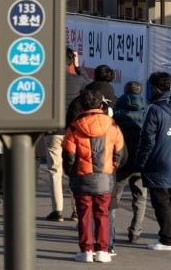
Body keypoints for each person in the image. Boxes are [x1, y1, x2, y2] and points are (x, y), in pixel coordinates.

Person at [63, 90, 125, 263]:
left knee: (84, 215)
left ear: (82, 105)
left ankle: (86, 251)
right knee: (102, 214)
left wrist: (72, 172)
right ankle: (103, 251)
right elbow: (119, 151)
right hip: (104, 178)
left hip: (82, 177)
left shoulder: (74, 127)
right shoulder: (112, 125)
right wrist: (111, 167)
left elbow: (68, 156)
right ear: (101, 104)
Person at [137, 72, 171, 251]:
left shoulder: (154, 109)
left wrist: (141, 162)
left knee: (160, 202)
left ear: (155, 88)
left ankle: (166, 239)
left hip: (157, 162)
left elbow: (147, 140)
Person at [45, 47, 90, 222]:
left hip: (53, 130)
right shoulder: (78, 80)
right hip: (73, 131)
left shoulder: (47, 80)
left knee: (54, 169)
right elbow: (88, 82)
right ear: (71, 62)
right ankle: (76, 210)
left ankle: (57, 210)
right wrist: (78, 66)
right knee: (74, 169)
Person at [109, 81, 149, 253]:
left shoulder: (116, 113)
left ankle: (110, 233)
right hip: (140, 164)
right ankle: (135, 232)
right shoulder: (148, 111)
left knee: (113, 199)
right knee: (140, 198)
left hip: (121, 164)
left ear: (124, 93)